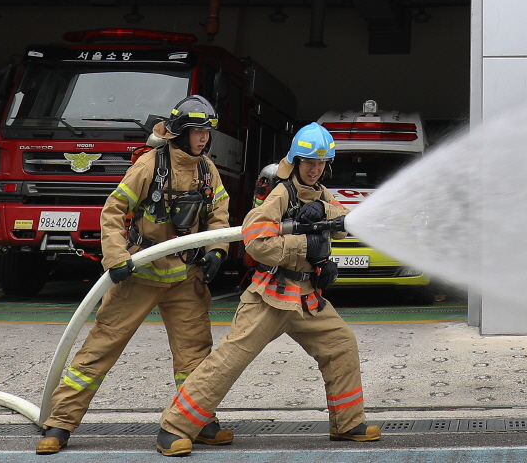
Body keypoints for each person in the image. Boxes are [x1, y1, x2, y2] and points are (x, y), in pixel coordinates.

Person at [152, 121, 380, 456]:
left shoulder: (321, 194)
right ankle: (173, 427)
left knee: (341, 345)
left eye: (321, 163)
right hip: (270, 296)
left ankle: (348, 423)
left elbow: (341, 222)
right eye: (309, 162)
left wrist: (323, 215)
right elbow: (255, 240)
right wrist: (305, 248)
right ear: (296, 161)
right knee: (230, 360)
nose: (315, 169)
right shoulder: (281, 193)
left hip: (306, 298)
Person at [35, 96, 234, 455]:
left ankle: (199, 421)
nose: (204, 138)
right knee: (102, 347)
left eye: (208, 132)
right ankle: (60, 423)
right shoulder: (149, 165)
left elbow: (219, 215)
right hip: (140, 274)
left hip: (185, 278)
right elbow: (113, 210)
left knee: (195, 355)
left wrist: (216, 251)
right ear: (180, 132)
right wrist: (116, 257)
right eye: (198, 132)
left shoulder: (207, 170)